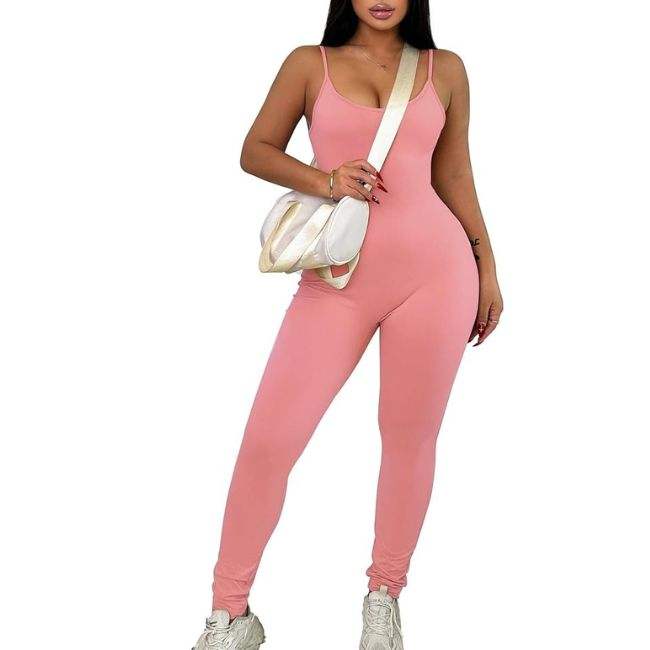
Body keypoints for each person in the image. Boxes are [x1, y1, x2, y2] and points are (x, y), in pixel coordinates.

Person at [193, 1, 503, 648]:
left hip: (438, 275)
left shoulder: (445, 69)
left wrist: (488, 267)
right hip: (338, 281)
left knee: (409, 439)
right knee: (269, 440)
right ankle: (229, 614)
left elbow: (454, 172)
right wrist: (326, 179)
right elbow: (254, 150)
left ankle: (383, 600)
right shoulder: (310, 64)